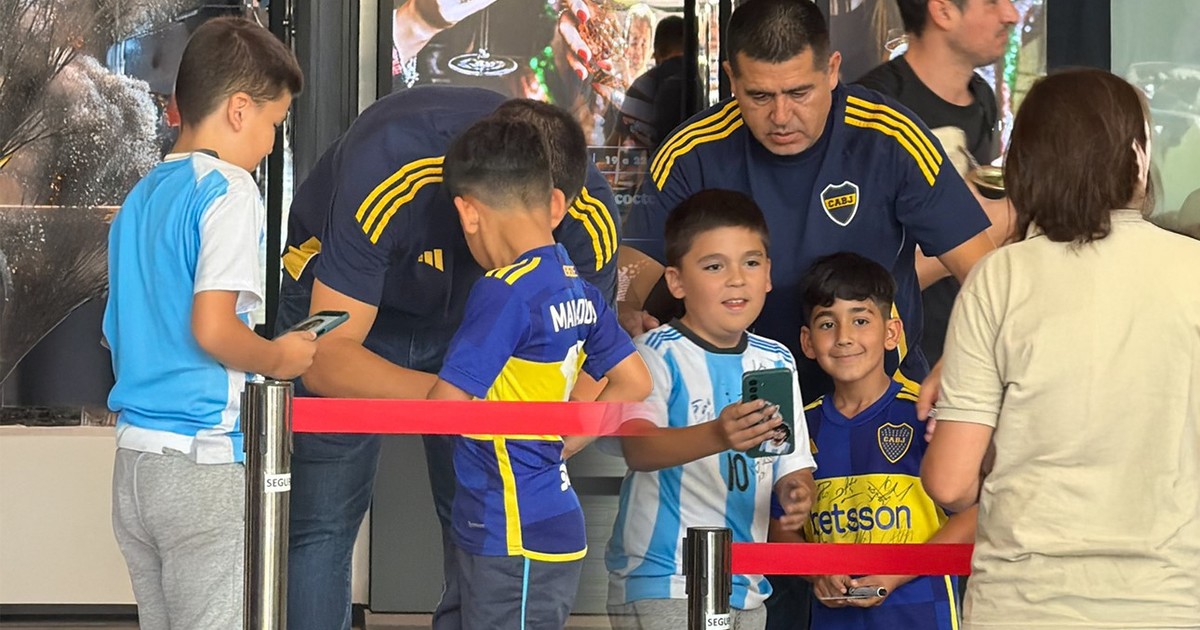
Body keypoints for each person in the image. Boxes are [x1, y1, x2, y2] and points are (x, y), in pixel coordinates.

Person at [276, 87, 621, 630]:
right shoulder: (390, 167)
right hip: (348, 301)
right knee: (322, 519)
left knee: (483, 517)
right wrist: (464, 399)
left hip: (478, 327)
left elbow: (592, 372)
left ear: (557, 206)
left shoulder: (588, 214)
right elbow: (323, 357)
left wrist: (552, 429)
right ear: (467, 204)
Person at [921, 69, 1200, 628]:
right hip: (1169, 600)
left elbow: (949, 482)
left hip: (1022, 603)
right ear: (1138, 157)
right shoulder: (1192, 271)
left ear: (1024, 167)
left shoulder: (1000, 279)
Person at [619, 0, 994, 404]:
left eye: (799, 93)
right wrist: (623, 309)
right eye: (760, 96)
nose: (781, 116)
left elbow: (986, 276)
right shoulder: (691, 153)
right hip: (735, 403)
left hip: (880, 403)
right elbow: (630, 271)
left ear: (832, 70)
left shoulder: (890, 139)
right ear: (731, 79)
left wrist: (963, 361)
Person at [103, 17, 312, 630]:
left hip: (135, 466)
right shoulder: (229, 188)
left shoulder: (141, 198)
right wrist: (280, 358)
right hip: (202, 459)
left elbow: (116, 333)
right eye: (274, 124)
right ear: (239, 110)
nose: (271, 144)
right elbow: (214, 329)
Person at [426, 117, 650, 629]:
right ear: (552, 202)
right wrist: (567, 438)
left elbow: (444, 410)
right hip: (531, 516)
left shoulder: (503, 289)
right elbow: (636, 381)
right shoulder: (574, 283)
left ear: (468, 212)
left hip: (509, 528)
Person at [606, 190, 817, 630]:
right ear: (677, 281)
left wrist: (797, 493)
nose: (737, 279)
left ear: (769, 275)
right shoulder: (653, 353)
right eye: (714, 266)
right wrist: (718, 435)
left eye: (751, 263)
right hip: (667, 578)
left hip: (747, 583)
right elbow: (638, 449)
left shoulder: (776, 360)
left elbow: (790, 464)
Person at [784, 252, 975, 629]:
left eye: (860, 320)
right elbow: (779, 524)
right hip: (833, 620)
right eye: (827, 323)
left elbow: (976, 513)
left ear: (891, 333)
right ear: (807, 341)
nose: (844, 337)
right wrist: (817, 571)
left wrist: (896, 574)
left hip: (924, 615)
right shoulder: (800, 426)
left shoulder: (927, 414)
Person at [856, 0, 1019, 365]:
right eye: (992, 2)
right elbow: (859, 283)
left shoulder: (982, 96)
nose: (1011, 14)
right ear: (943, 10)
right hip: (899, 362)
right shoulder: (875, 109)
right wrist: (981, 230)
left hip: (967, 346)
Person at [616, 16, 701, 151]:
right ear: (694, 50)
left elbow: (616, 143)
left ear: (656, 50)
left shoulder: (643, 85)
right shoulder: (697, 83)